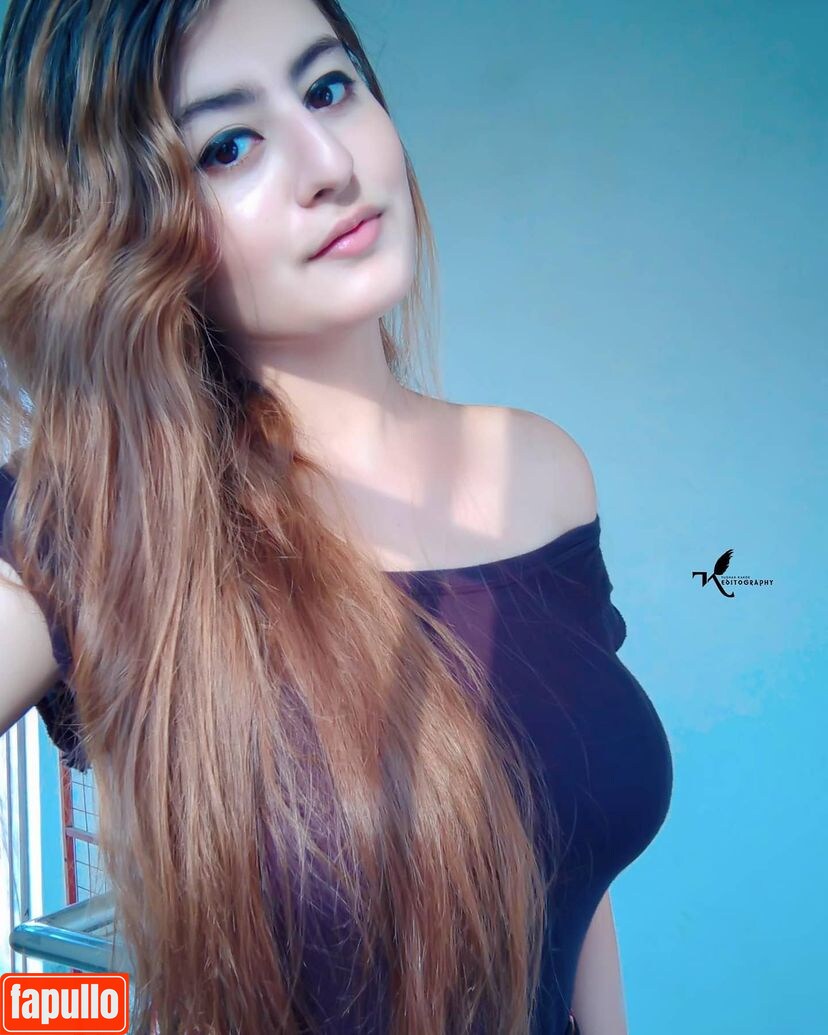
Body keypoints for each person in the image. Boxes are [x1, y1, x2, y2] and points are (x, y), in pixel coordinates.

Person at [0, 0, 673, 1032]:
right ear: (125, 228)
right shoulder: (89, 525)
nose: (328, 163)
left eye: (327, 88)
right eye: (228, 146)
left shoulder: (540, 472)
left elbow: (567, 862)